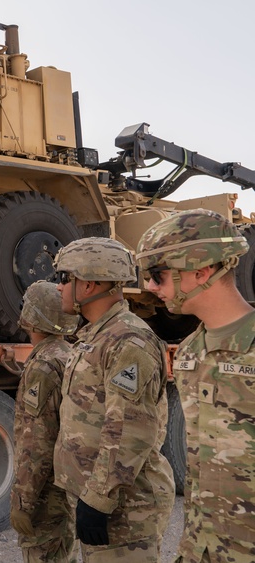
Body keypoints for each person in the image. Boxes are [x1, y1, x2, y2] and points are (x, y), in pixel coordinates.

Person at [137, 209, 255, 563]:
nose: (149, 287)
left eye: (158, 276)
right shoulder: (190, 352)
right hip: (202, 545)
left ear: (199, 272)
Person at [51, 237, 175, 562]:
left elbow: (129, 431)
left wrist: (98, 500)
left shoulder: (128, 341)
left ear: (89, 283)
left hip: (125, 508)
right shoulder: (96, 335)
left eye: (64, 278)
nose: (58, 288)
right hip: (102, 495)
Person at [10, 280, 81, 563]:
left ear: (32, 316)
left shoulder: (43, 365)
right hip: (66, 485)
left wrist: (23, 502)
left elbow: (36, 441)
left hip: (46, 493)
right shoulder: (69, 355)